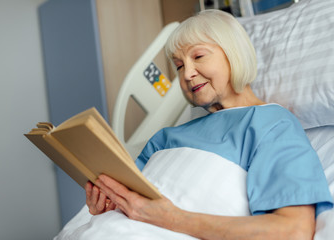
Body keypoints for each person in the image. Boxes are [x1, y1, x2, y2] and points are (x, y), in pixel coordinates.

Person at [85, 10, 333, 240]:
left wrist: (170, 218)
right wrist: (105, 209)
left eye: (199, 56)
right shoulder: (164, 138)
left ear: (233, 53)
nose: (187, 74)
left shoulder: (270, 124)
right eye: (179, 65)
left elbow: (293, 230)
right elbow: (134, 209)